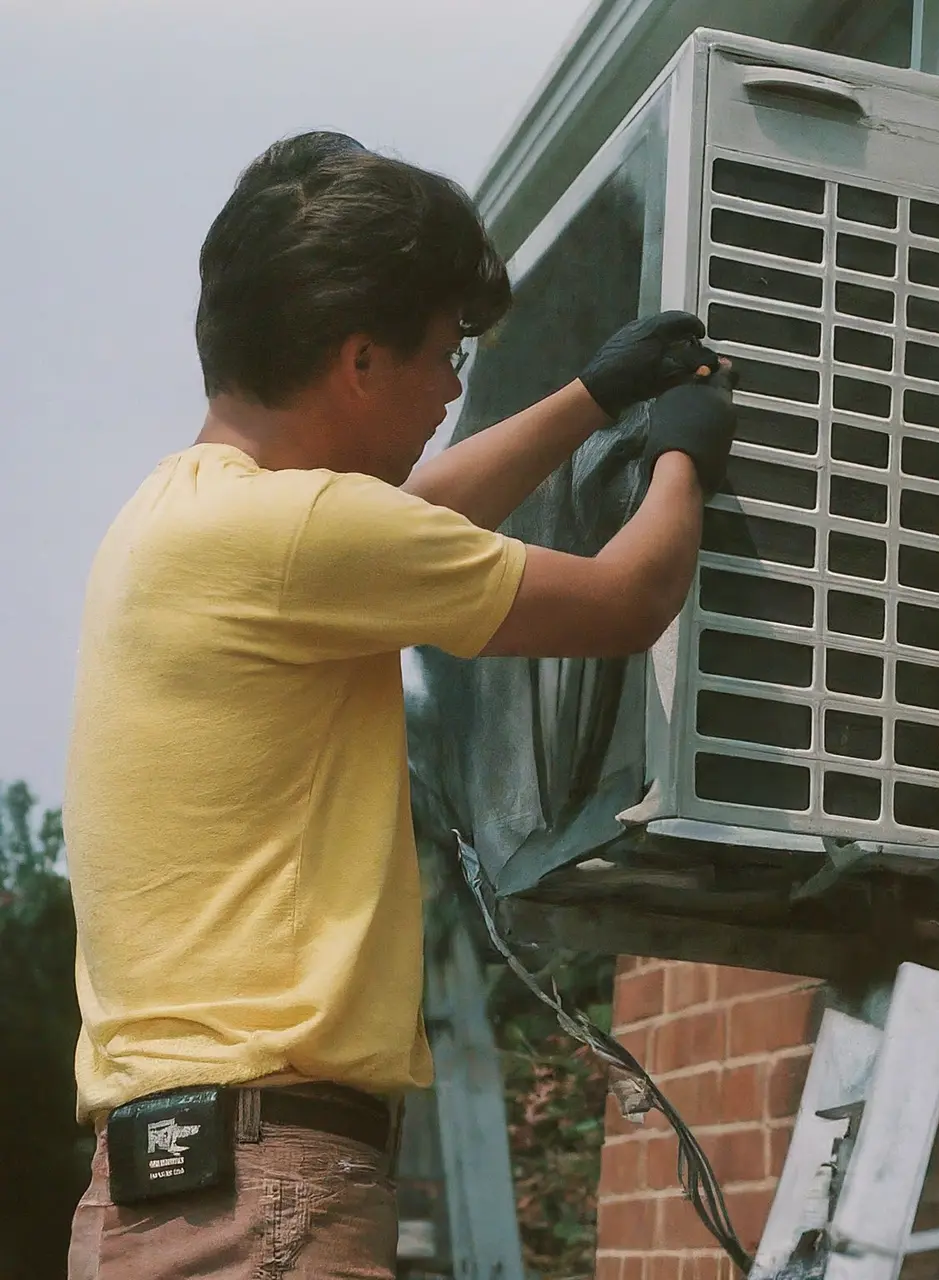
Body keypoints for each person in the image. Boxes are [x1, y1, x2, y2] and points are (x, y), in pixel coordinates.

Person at [63, 130, 736, 1279]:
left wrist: (590, 396)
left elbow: (412, 514)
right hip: (267, 1193)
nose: (455, 388)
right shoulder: (296, 535)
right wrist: (682, 458)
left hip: (156, 1201)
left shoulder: (176, 514)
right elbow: (628, 598)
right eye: (442, 356)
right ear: (359, 361)